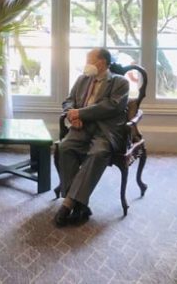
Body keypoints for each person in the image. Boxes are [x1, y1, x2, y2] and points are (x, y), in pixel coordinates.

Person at [55, 47, 129, 227]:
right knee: (64, 148)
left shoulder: (120, 82)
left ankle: (68, 204)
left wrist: (80, 113)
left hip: (105, 130)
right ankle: (80, 205)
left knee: (98, 153)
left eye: (89, 60)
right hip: (82, 128)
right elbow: (69, 100)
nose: (86, 64)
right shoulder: (82, 79)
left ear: (101, 63)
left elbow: (111, 107)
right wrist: (71, 114)